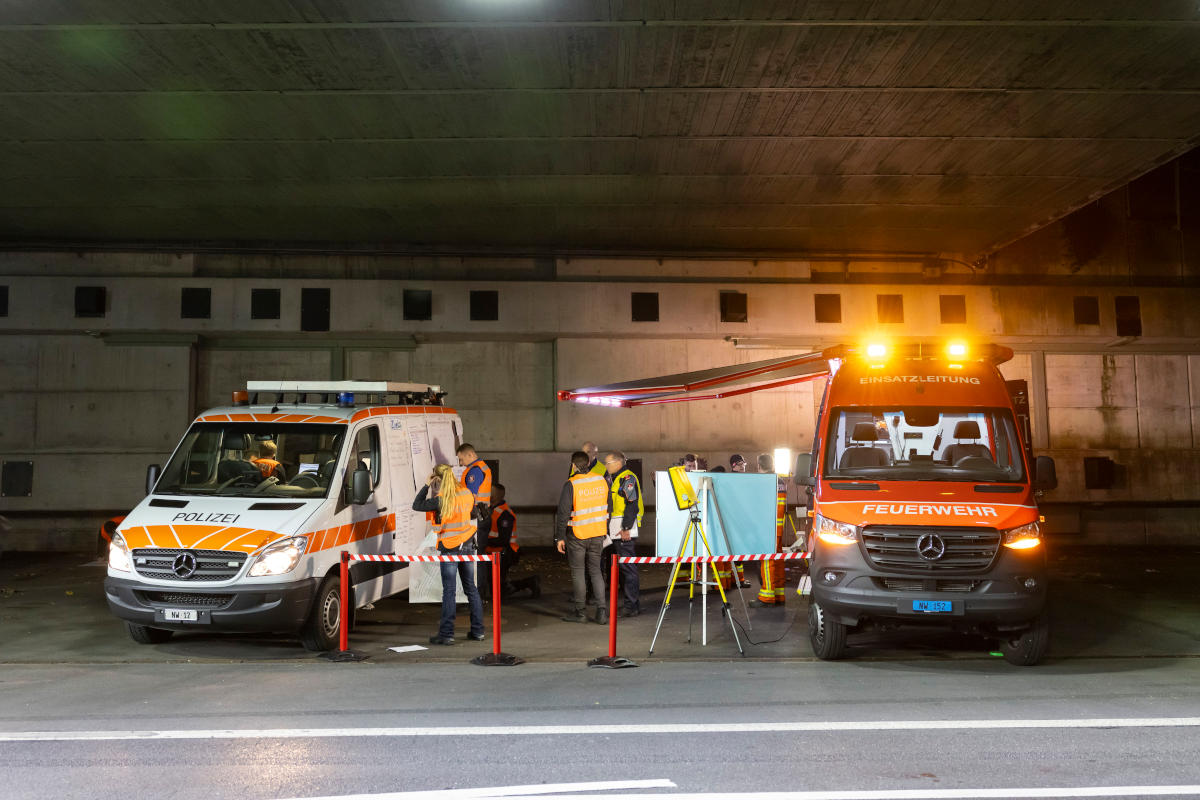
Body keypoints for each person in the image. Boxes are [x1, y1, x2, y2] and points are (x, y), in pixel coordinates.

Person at [412, 464, 485, 645]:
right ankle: (478, 632)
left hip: (450, 548)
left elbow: (417, 505)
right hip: (467, 545)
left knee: (450, 592)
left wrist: (426, 485)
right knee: (471, 589)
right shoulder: (467, 494)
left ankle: (446, 634)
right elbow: (473, 514)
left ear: (438, 479)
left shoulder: (441, 499)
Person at [555, 451, 610, 624]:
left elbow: (563, 513)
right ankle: (602, 612)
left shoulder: (572, 483)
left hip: (578, 535)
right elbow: (610, 507)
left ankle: (581, 613)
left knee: (578, 572)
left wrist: (560, 537)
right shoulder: (601, 480)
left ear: (573, 465)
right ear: (588, 463)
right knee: (596, 571)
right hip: (598, 533)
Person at [481, 483, 540, 599]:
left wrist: (483, 541)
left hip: (503, 552)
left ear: (496, 496)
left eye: (490, 492)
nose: (487, 494)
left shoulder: (505, 514)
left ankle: (530, 582)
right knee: (494, 585)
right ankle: (528, 582)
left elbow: (503, 539)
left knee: (498, 590)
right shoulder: (491, 509)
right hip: (492, 552)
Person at [605, 450, 643, 617]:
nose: (606, 466)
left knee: (628, 567)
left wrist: (626, 528)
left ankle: (632, 606)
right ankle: (630, 603)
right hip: (616, 529)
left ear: (617, 463)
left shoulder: (627, 478)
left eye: (608, 463)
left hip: (623, 530)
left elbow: (632, 505)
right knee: (623, 567)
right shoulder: (616, 479)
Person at [752, 452, 787, 607]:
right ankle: (778, 594)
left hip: (767, 528)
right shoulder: (780, 481)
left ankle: (766, 596)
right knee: (778, 560)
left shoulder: (763, 482)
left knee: (767, 561)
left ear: (759, 466)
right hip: (778, 527)